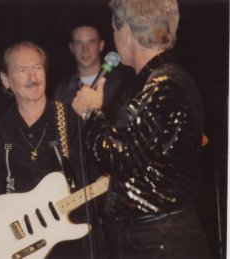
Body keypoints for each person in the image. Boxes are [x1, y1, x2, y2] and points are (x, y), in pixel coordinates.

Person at [72, 0, 210, 258]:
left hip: (159, 240)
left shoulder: (162, 83)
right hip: (157, 238)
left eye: (114, 29)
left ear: (125, 30)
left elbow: (116, 157)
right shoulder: (162, 79)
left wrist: (91, 113)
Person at [0, 41, 96, 258]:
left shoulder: (71, 119)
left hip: (67, 243)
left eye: (37, 68)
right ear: (6, 80)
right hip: (16, 241)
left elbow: (96, 169)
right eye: (22, 70)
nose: (33, 78)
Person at [54, 22, 134, 123]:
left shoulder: (121, 85)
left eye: (91, 42)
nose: (85, 49)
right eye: (79, 43)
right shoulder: (62, 90)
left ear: (101, 45)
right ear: (71, 48)